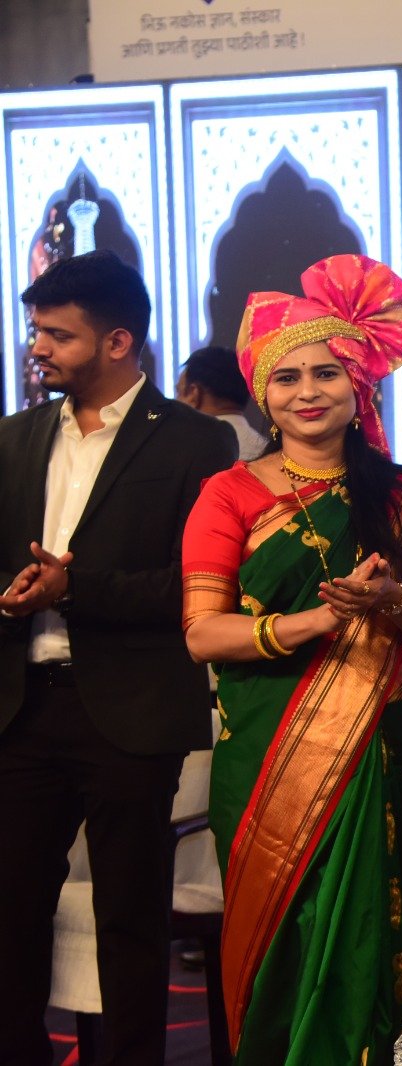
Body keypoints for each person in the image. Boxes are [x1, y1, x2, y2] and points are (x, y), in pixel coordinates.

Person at [180, 254, 402, 1065]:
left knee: (392, 938)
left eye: (326, 372)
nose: (307, 391)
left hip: (396, 751)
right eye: (287, 377)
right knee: (288, 948)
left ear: (358, 381)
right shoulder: (229, 494)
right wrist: (313, 621)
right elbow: (202, 634)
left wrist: (391, 602)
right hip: (269, 762)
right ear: (263, 393)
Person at [0, 249, 237, 1066]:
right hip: (20, 707)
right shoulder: (14, 438)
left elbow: (194, 584)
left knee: (132, 923)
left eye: (57, 335)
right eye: (36, 331)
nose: (38, 348)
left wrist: (74, 588)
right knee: (10, 917)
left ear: (117, 342)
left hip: (132, 712)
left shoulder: (197, 442)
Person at [178, 344, 269, 459]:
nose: (176, 400)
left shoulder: (183, 450)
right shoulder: (268, 450)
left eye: (178, 391)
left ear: (193, 394)